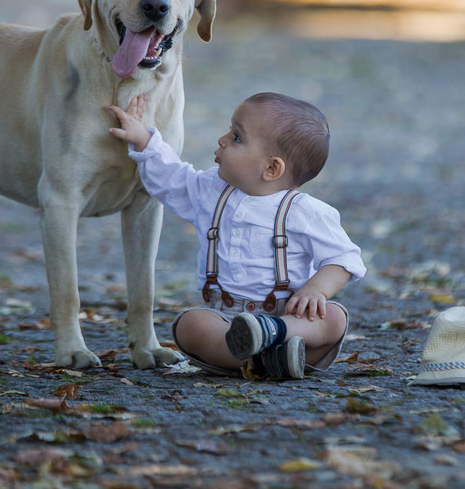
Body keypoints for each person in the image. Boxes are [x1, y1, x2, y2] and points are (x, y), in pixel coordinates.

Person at [106, 92, 365, 380]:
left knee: (334, 317)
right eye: (230, 130)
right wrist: (144, 140)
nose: (222, 139)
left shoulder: (304, 212)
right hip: (226, 320)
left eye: (237, 137)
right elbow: (172, 180)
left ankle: (272, 340)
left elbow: (344, 258)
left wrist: (315, 290)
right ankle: (267, 358)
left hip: (288, 320)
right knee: (190, 324)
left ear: (271, 168)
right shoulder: (211, 191)